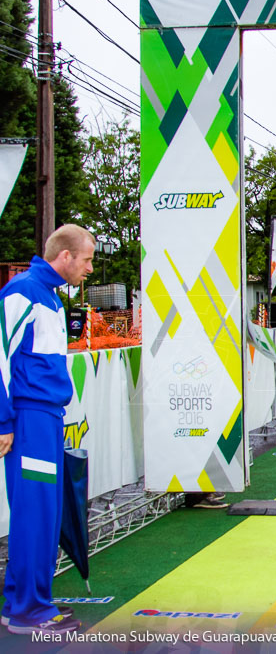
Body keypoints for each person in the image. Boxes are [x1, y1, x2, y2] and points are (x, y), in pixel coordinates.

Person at [0, 224, 95, 635]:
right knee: (35, 513)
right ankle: (28, 612)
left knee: (43, 512)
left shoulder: (51, 299)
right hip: (29, 420)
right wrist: (4, 421)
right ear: (66, 256)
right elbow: (0, 357)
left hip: (46, 418)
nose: (90, 268)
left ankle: (21, 602)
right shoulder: (21, 292)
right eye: (88, 259)